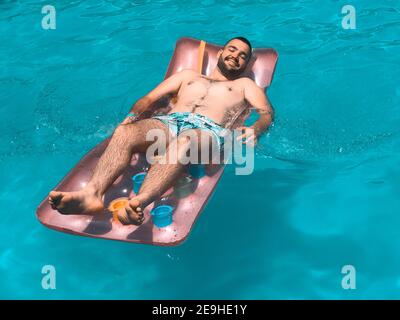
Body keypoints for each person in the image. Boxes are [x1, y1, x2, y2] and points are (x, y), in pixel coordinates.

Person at [48, 37, 274, 225]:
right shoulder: (188, 76)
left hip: (208, 131)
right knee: (126, 133)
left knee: (185, 141)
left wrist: (256, 129)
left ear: (245, 65)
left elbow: (267, 113)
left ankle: (138, 203)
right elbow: (149, 98)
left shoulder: (246, 86)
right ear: (221, 52)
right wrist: (130, 119)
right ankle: (92, 195)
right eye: (232, 49)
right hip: (170, 121)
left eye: (243, 55)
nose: (236, 55)